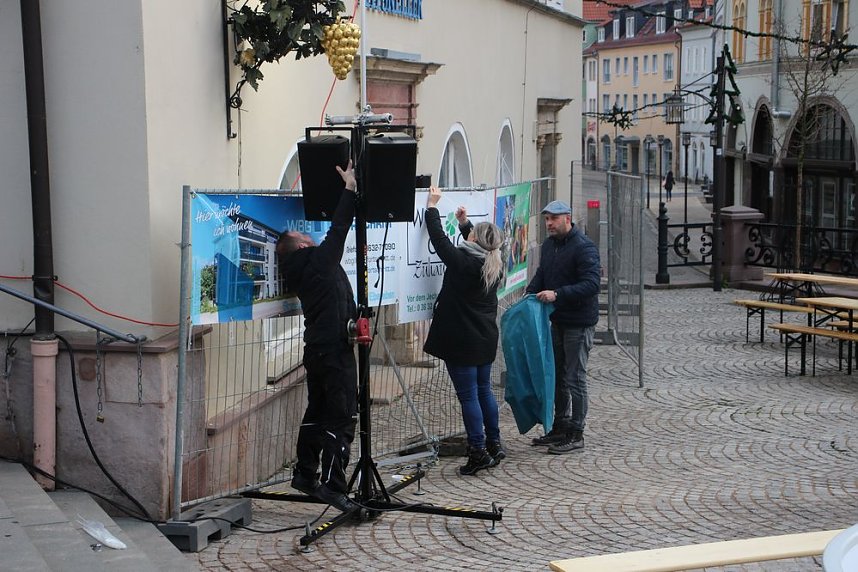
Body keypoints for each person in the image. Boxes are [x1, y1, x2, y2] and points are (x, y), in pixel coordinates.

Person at [275, 160, 358, 512]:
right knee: (341, 416)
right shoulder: (317, 263)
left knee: (317, 412)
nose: (311, 236)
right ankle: (333, 485)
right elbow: (339, 229)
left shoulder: (308, 267)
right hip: (333, 352)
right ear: (300, 248)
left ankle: (305, 473)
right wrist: (350, 189)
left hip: (320, 349)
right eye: (305, 237)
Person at [422, 187, 507, 476]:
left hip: (463, 340)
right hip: (484, 339)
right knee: (483, 391)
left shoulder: (465, 262)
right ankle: (494, 444)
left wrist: (432, 208)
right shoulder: (493, 263)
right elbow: (476, 244)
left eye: (471, 234)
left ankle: (478, 451)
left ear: (474, 242)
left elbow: (440, 242)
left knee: (469, 396)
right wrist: (465, 223)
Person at [526, 200, 601, 455]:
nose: (548, 224)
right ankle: (560, 425)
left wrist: (558, 294)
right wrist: (529, 295)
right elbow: (542, 275)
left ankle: (576, 432)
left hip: (579, 323)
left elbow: (591, 285)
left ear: (567, 218)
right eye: (546, 219)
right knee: (557, 376)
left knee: (575, 377)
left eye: (553, 219)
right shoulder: (549, 246)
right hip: (557, 320)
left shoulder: (584, 247)